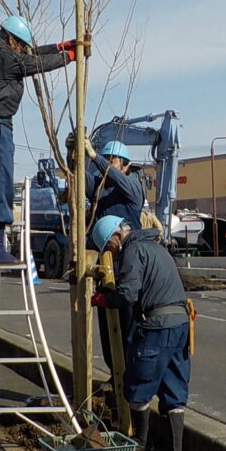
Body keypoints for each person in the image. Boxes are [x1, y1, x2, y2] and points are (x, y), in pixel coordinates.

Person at [0, 15, 87, 264]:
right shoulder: (3, 59)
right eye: (21, 45)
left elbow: (30, 55)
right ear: (11, 40)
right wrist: (70, 57)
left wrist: (61, 46)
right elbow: (32, 64)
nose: (23, 49)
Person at [90, 214, 191, 451]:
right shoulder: (154, 247)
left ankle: (141, 440)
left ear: (116, 236)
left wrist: (101, 299)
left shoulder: (133, 251)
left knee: (138, 379)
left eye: (109, 247)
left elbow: (127, 295)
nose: (110, 253)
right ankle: (173, 450)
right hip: (181, 323)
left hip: (158, 325)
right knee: (173, 383)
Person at [84, 140, 144, 375]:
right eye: (104, 160)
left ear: (126, 166)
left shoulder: (132, 187)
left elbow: (116, 178)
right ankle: (115, 375)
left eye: (112, 161)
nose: (105, 166)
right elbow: (82, 179)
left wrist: (96, 157)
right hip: (105, 266)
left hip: (129, 266)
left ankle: (131, 378)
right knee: (108, 330)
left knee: (130, 325)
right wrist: (76, 155)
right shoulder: (100, 190)